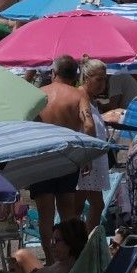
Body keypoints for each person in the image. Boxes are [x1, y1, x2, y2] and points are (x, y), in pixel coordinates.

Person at [33, 56, 95, 239]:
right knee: (68, 213)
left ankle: (51, 259)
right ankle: (69, 259)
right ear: (75, 75)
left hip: (42, 157)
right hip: (67, 157)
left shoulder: (39, 94)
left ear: (54, 73)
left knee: (45, 216)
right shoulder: (78, 95)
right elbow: (89, 125)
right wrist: (87, 157)